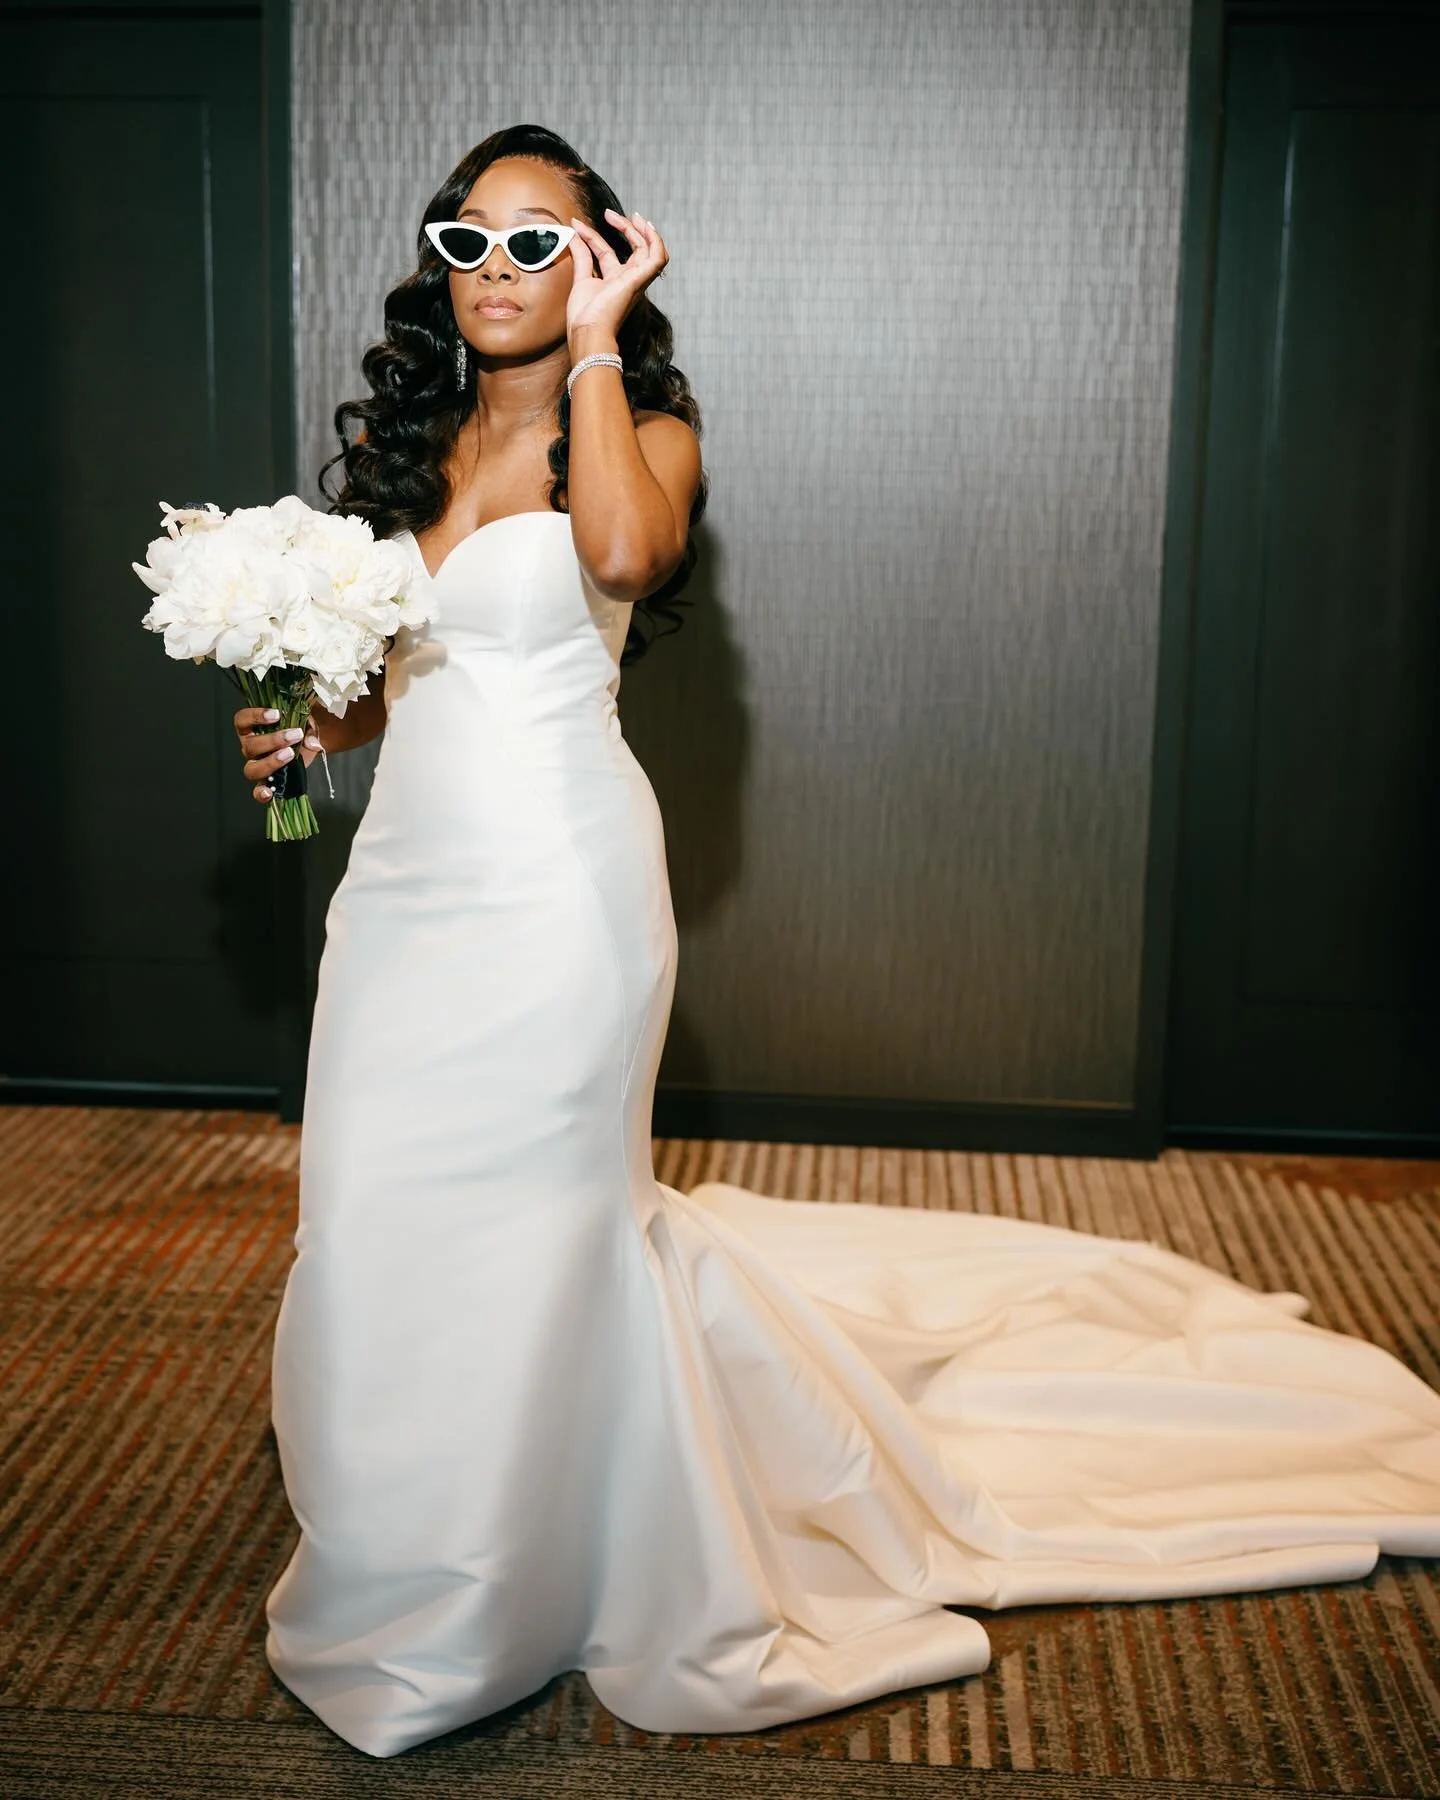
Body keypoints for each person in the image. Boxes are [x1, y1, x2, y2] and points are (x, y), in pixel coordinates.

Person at [233, 124, 1440, 1762]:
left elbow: (622, 559)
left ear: (601, 262)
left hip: (562, 895)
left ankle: (525, 1574)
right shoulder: (402, 444)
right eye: (472, 242)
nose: (501, 271)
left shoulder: (645, 428)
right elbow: (375, 695)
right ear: (436, 267)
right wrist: (304, 753)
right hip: (399, 898)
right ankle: (411, 1547)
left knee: (535, 1224)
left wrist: (598, 348)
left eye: (545, 242)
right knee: (372, 1206)